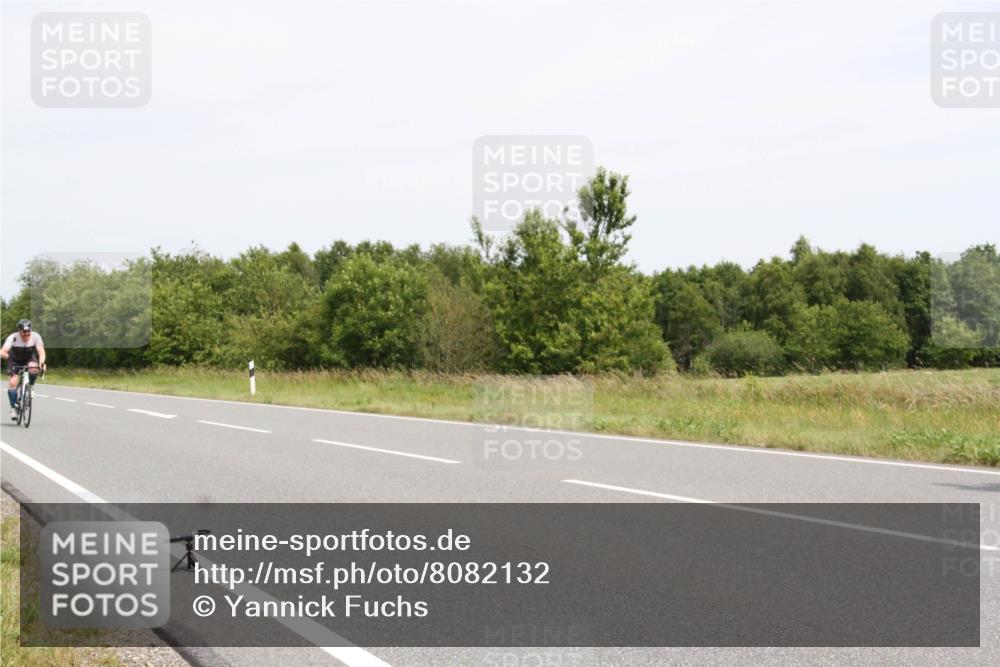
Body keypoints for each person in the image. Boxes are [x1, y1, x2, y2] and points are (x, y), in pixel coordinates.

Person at [1, 319, 46, 421]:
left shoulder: (36, 337)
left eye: (28, 331)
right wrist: (3, 354)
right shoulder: (13, 337)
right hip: (15, 360)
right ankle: (13, 408)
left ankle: (30, 386)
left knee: (34, 368)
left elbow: (41, 351)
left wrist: (41, 362)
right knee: (13, 383)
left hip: (28, 358)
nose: (27, 333)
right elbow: (3, 350)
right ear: (19, 331)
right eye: (24, 331)